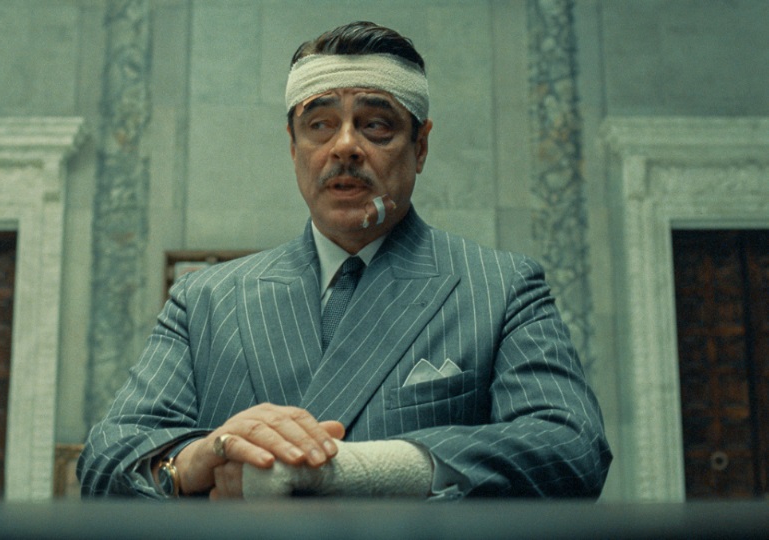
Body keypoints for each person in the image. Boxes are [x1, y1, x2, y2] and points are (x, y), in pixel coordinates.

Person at [77, 21, 611, 500]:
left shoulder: (499, 288)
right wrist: (198, 459)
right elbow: (105, 461)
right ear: (293, 147)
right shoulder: (206, 302)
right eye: (320, 124)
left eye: (376, 125)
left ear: (421, 147)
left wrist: (360, 471)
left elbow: (570, 448)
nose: (345, 146)